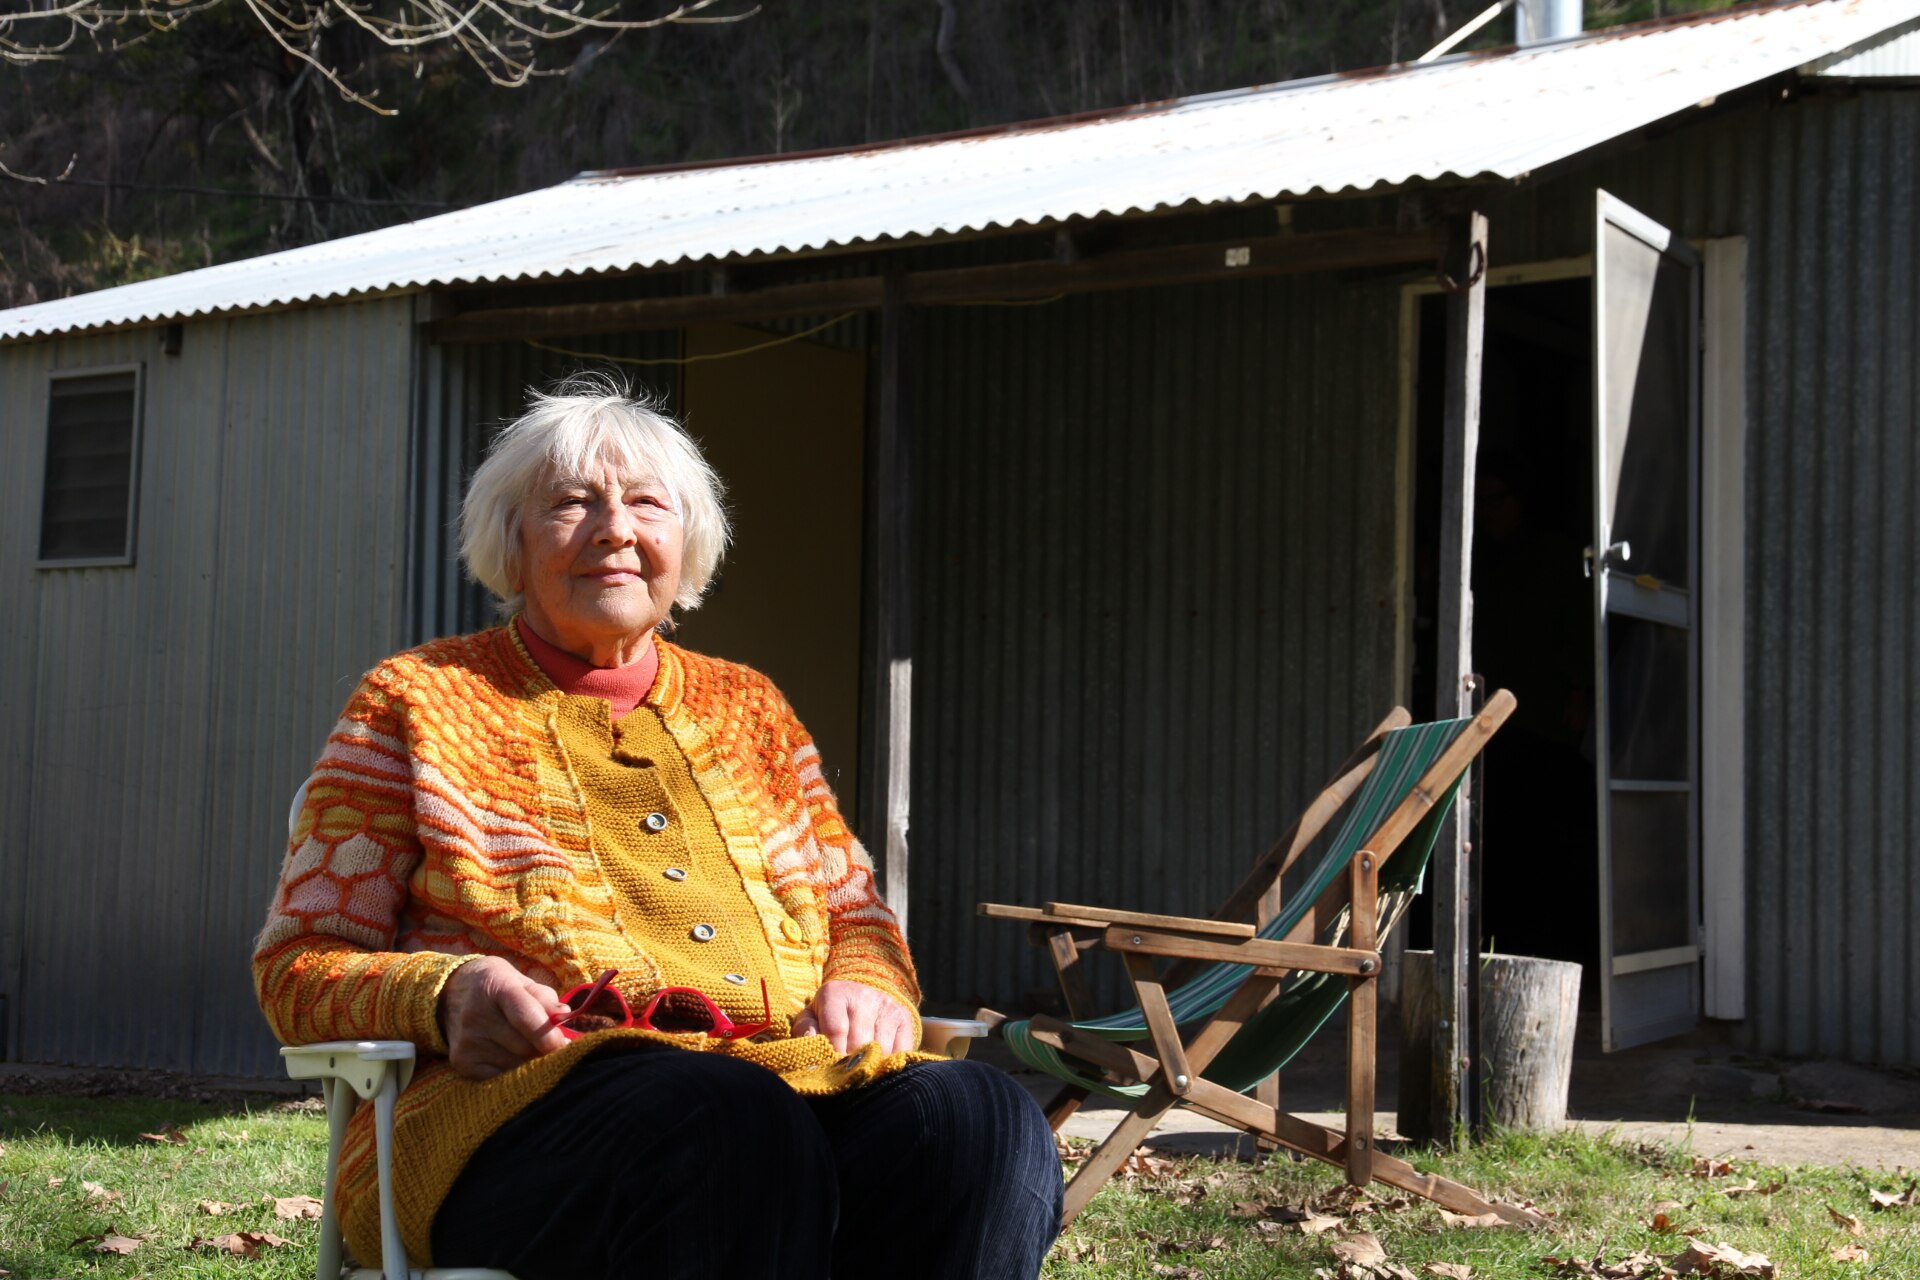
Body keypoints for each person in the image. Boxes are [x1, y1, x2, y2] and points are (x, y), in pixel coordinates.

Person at [253, 375, 1063, 1279]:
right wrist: (443, 997)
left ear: (688, 544)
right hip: (506, 1120)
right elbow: (300, 963)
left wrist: (870, 981)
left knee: (983, 1118)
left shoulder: (751, 709)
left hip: (795, 1091)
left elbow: (855, 919)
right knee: (724, 1117)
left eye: (647, 504)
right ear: (511, 544)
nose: (615, 530)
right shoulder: (416, 701)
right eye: (571, 504)